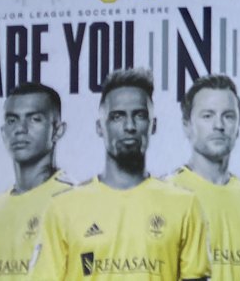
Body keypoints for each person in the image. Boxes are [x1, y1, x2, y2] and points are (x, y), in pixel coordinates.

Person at [29, 68, 209, 281]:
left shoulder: (184, 205)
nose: (129, 126)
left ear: (153, 125)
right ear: (100, 127)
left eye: (140, 115)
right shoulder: (62, 208)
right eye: (117, 117)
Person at [168, 74, 240, 281]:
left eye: (228, 116)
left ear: (238, 127)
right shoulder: (167, 194)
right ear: (187, 125)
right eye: (207, 116)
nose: (219, 125)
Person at [0, 83, 72, 280]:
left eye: (34, 119)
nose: (20, 129)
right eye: (12, 120)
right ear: (3, 132)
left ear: (58, 130)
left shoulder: (74, 201)